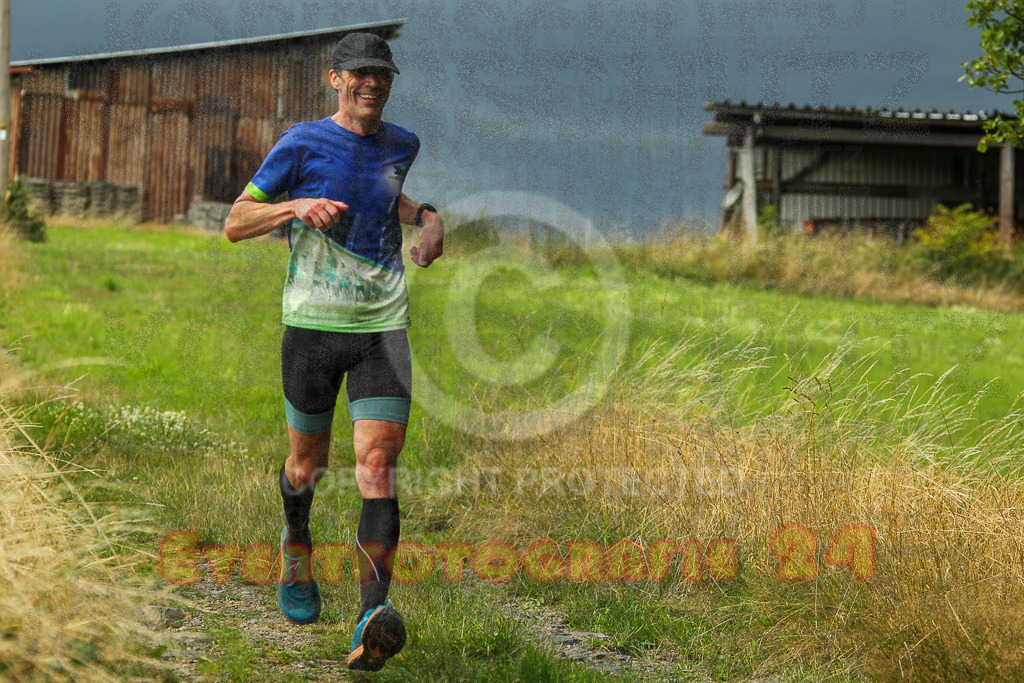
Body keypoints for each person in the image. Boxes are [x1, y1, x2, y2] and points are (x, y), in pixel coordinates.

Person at [223, 31, 443, 672]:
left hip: (382, 327)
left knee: (378, 463)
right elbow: (236, 221)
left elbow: (384, 194)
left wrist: (427, 216)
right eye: (361, 73)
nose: (373, 82)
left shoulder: (403, 144)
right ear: (335, 78)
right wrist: (295, 206)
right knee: (306, 466)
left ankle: (372, 613)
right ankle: (297, 538)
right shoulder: (300, 143)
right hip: (313, 327)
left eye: (383, 74)